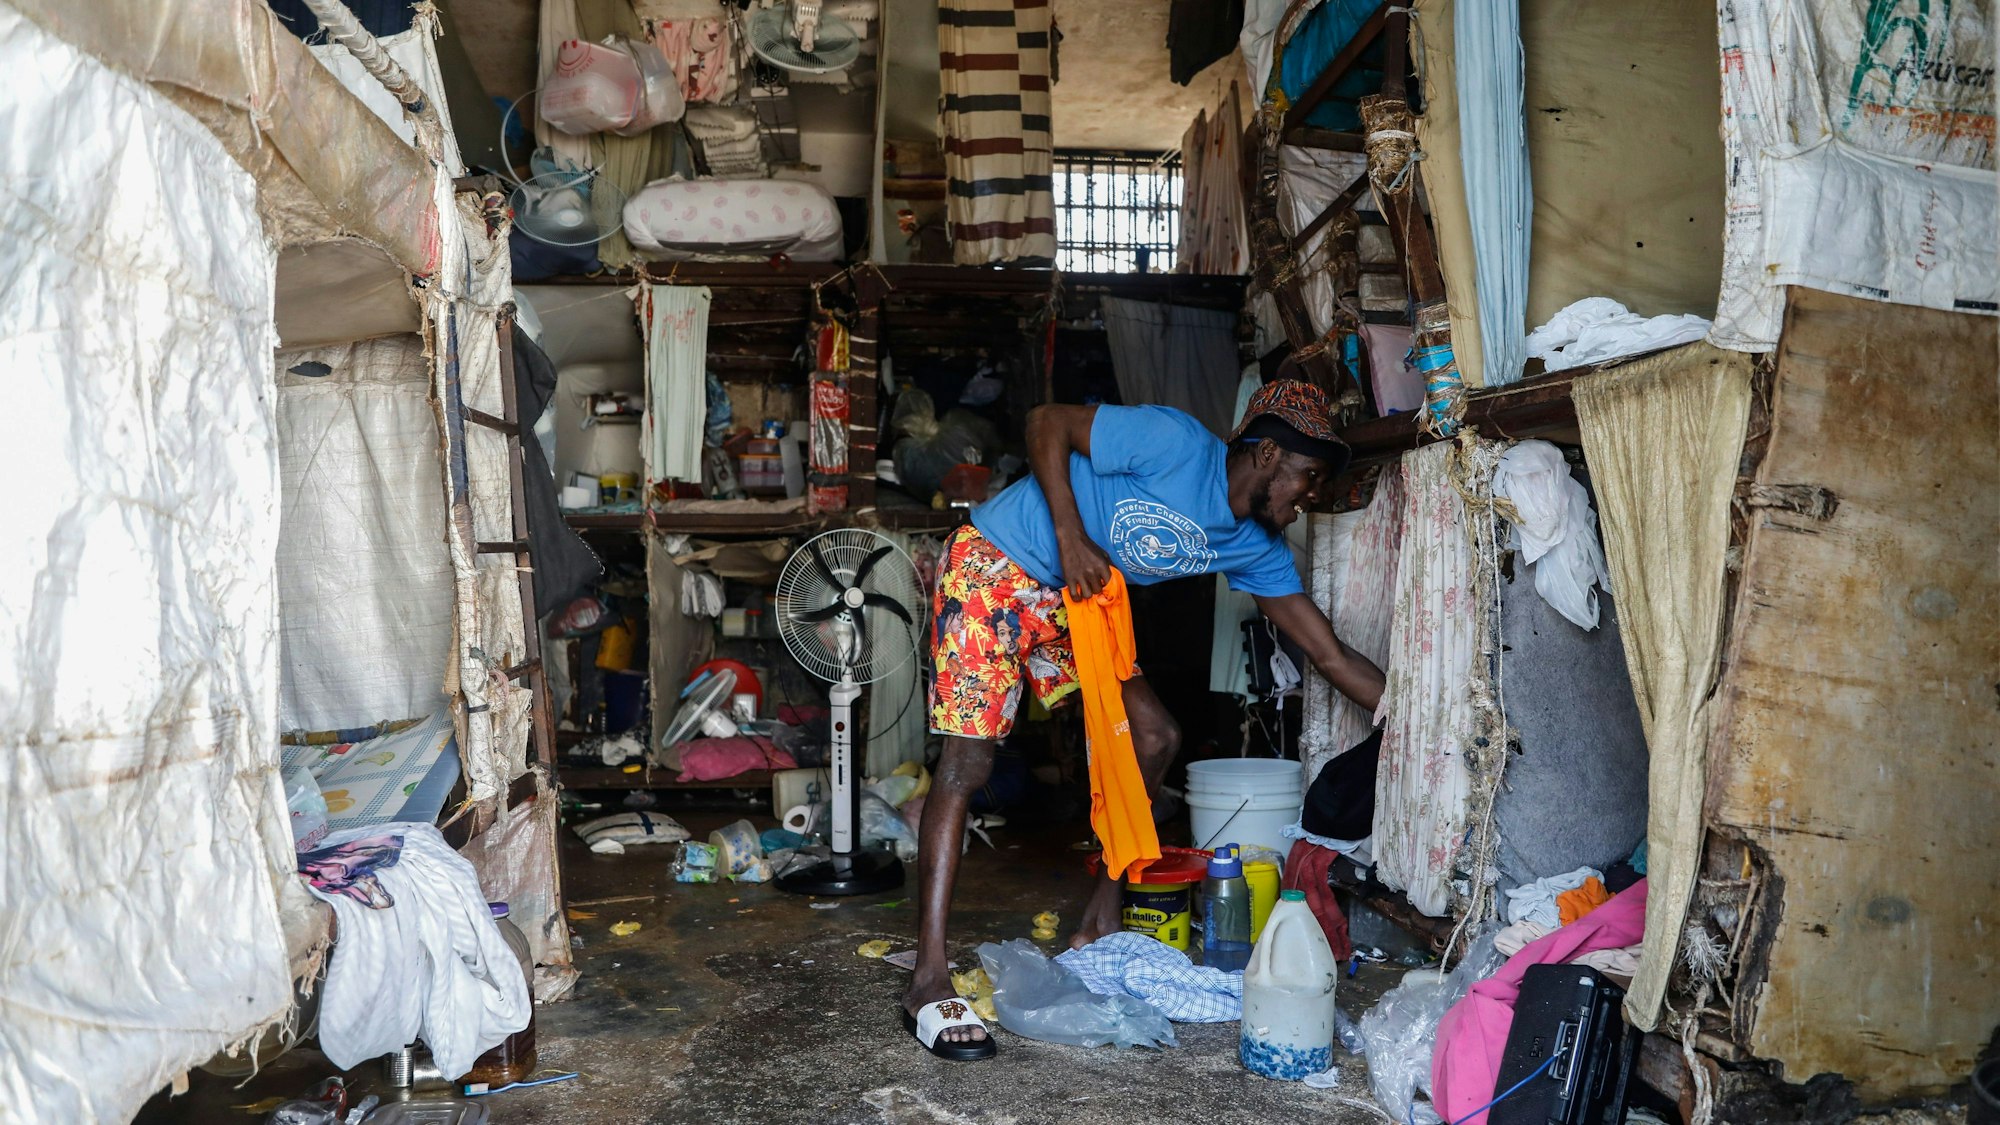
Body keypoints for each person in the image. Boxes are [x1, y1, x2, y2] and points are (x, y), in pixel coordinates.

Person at [899, 380, 1387, 1060]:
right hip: (996, 565)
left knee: (1156, 736)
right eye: (1309, 477)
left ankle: (1100, 914)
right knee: (968, 763)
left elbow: (1329, 653)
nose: (1310, 496)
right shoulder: (1175, 443)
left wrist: (1406, 714)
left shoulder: (1256, 547)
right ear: (1269, 454)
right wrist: (1070, 537)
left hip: (1077, 606)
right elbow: (1046, 420)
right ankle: (927, 976)